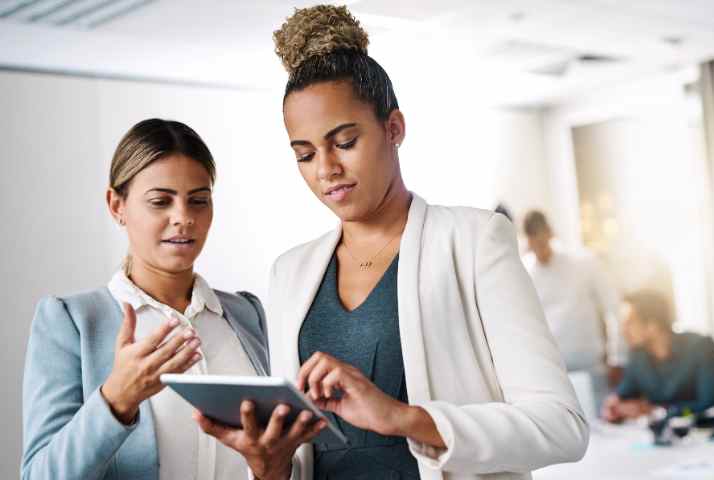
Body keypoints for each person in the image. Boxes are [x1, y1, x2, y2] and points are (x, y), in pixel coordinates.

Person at [195, 5, 588, 480]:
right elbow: (302, 458)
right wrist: (269, 465)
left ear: (394, 129)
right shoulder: (289, 272)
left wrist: (403, 418)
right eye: (305, 154)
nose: (326, 170)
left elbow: (562, 426)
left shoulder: (473, 241)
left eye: (343, 142)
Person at [21, 119, 287, 479]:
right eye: (161, 201)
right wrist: (117, 399)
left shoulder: (245, 314)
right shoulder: (72, 321)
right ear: (116, 205)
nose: (183, 218)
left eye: (198, 201)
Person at [521, 210, 624, 406]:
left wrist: (617, 356)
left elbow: (614, 308)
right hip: (553, 373)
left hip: (591, 366)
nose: (539, 251)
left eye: (542, 243)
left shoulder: (584, 263)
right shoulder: (525, 272)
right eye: (533, 245)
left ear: (550, 233)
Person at [602, 290, 714, 422]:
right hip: (667, 438)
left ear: (652, 325)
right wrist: (614, 407)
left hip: (712, 435)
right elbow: (622, 395)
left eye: (629, 323)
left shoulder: (701, 347)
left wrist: (657, 411)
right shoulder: (638, 356)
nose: (623, 330)